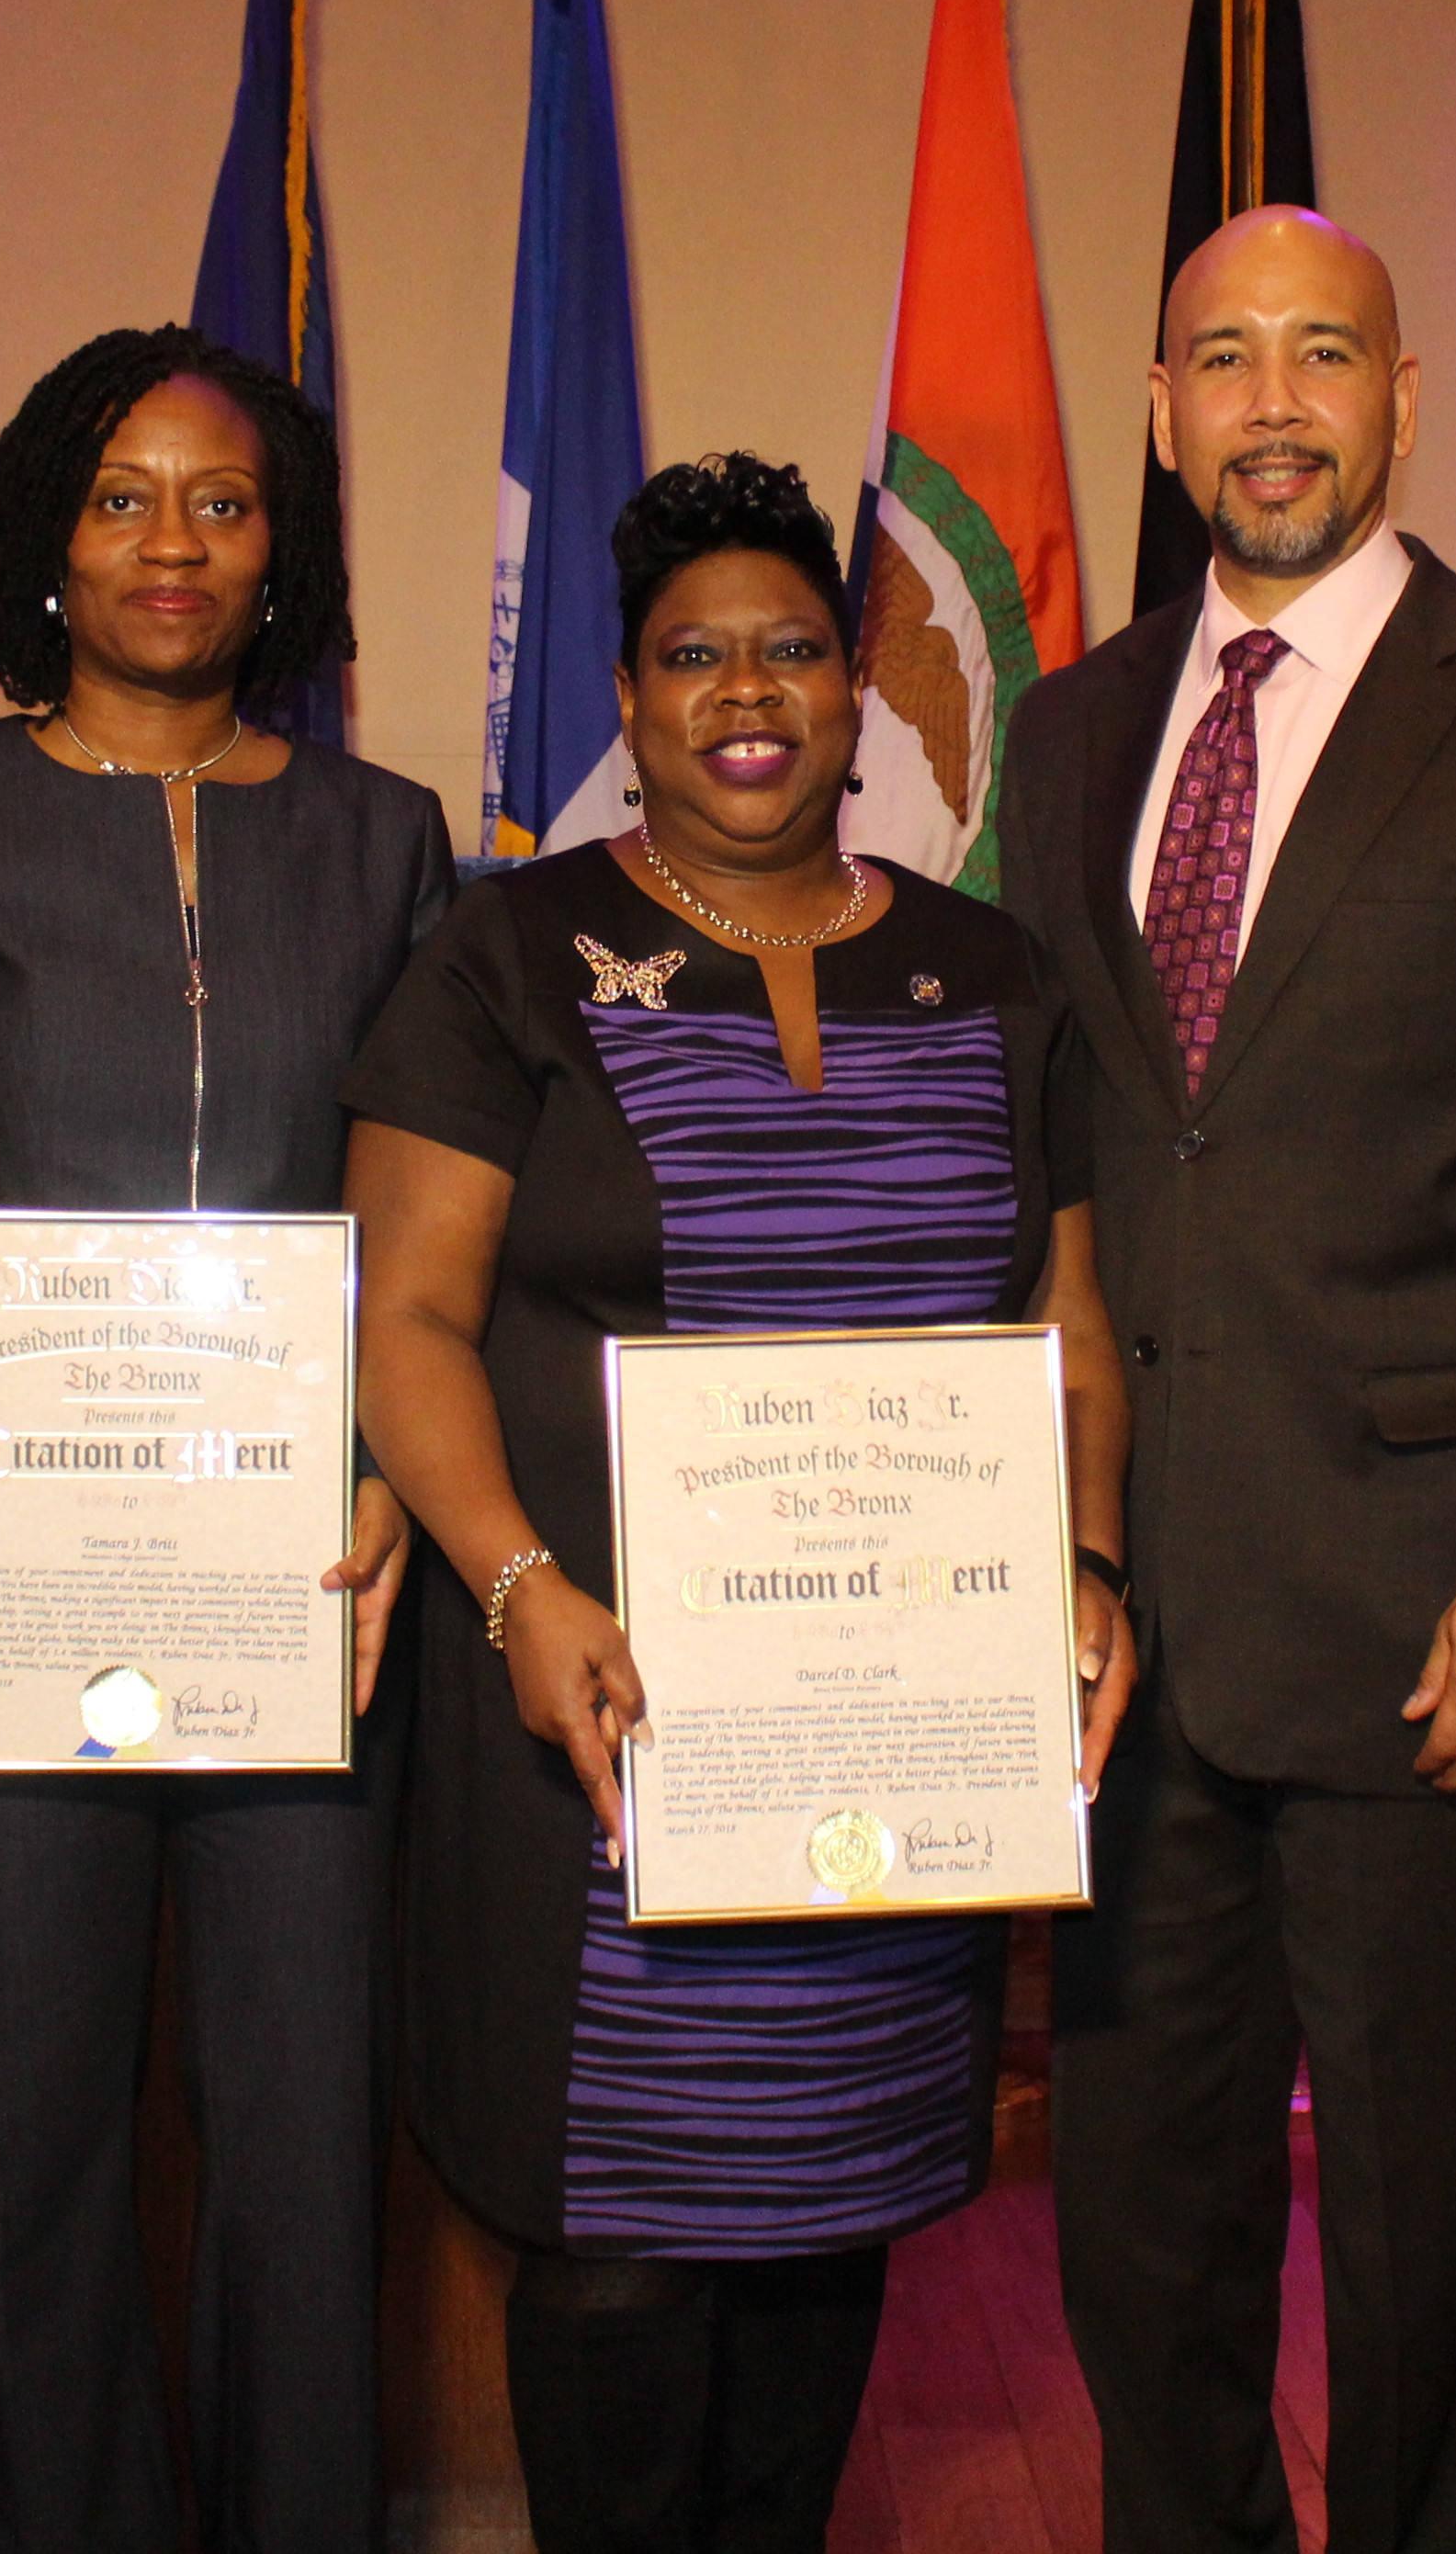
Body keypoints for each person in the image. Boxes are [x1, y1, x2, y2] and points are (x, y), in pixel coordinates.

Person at [997, 207, 1456, 2554]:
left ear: (1404, 401)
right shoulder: (1071, 726)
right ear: (1160, 416)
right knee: (1140, 2238)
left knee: (1433, 2251)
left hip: (1445, 1639)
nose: (1275, 403)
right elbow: (1060, 1163)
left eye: (1325, 354)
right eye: (1223, 357)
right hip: (1132, 1653)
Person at [344, 453, 1136, 2554]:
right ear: (627, 697)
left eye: (792, 647)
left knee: (822, 2242)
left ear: (859, 692)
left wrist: (1084, 1560)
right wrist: (517, 1590)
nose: (747, 692)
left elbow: (1065, 1327)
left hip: (885, 1737)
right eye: (693, 656)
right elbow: (403, 1320)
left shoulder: (991, 972)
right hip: (600, 1725)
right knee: (621, 2267)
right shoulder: (509, 955)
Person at [0, 328, 448, 2554]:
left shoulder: (384, 840)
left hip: (310, 1584)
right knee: (28, 2143)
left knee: (306, 2144)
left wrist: (395, 1472)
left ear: (285, 553)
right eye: (122, 497)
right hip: (2, 1576)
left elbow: (429, 1211)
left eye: (223, 502)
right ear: (47, 543)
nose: (174, 543)